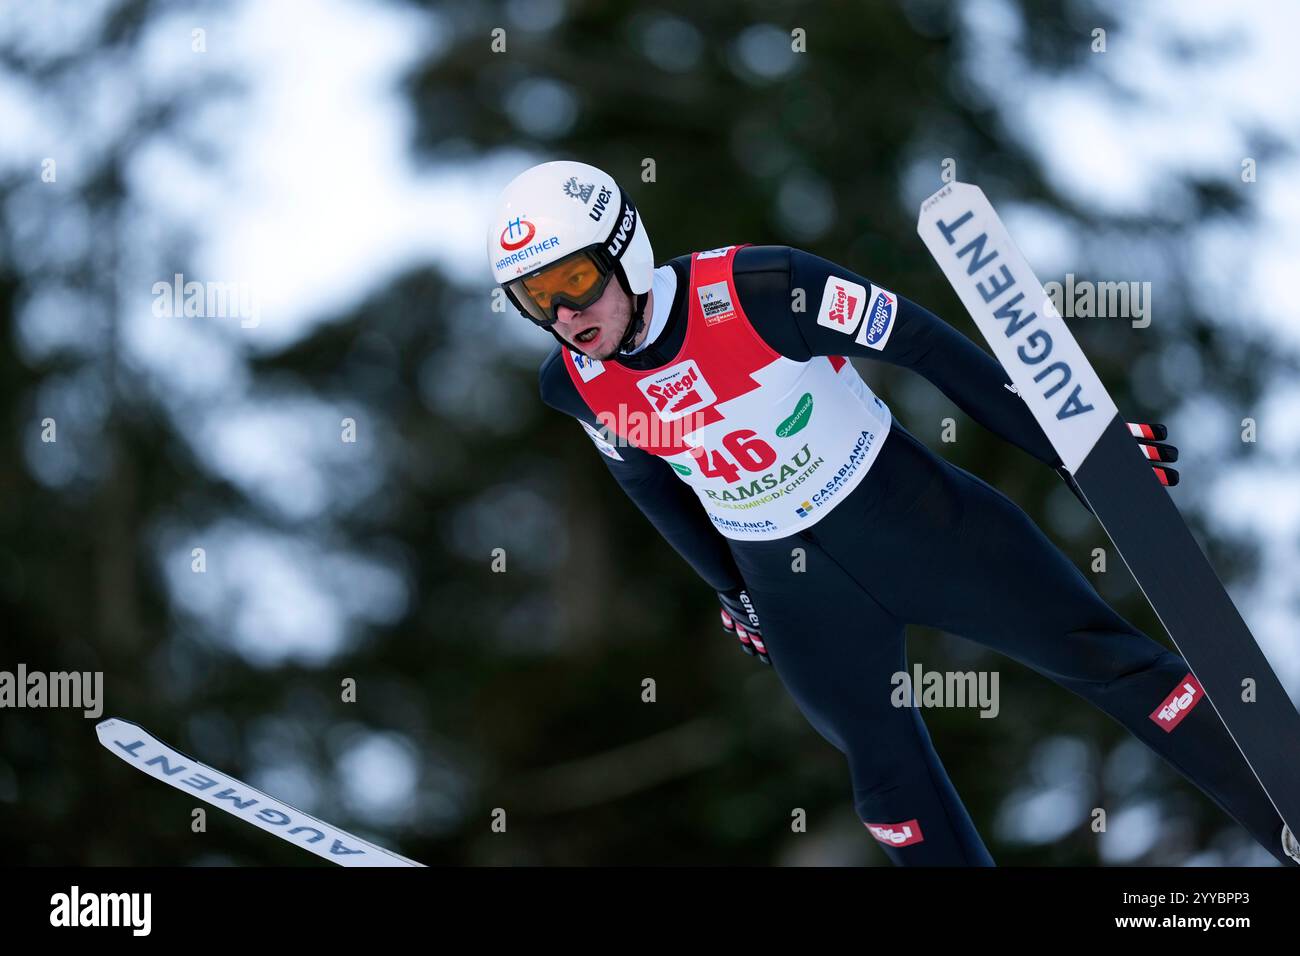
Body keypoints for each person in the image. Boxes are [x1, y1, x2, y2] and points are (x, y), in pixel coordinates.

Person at [486, 159, 1300, 866]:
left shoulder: (762, 289)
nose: (564, 315)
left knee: (1106, 660)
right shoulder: (576, 385)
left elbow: (926, 345)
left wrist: (1078, 449)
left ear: (623, 246)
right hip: (796, 591)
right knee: (887, 792)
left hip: (915, 523)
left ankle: (1283, 818)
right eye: (535, 298)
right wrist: (730, 591)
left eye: (575, 281)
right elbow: (650, 486)